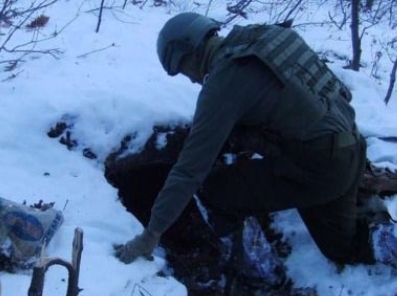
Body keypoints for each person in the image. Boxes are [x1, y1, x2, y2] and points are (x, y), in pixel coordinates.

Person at [114, 12, 373, 269]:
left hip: (319, 168)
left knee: (216, 190)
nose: (192, 79)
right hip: (353, 148)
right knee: (343, 248)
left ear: (190, 52)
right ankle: (391, 237)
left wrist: (150, 235)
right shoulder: (268, 36)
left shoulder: (222, 84)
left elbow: (189, 170)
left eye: (183, 70)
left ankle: (253, 268)